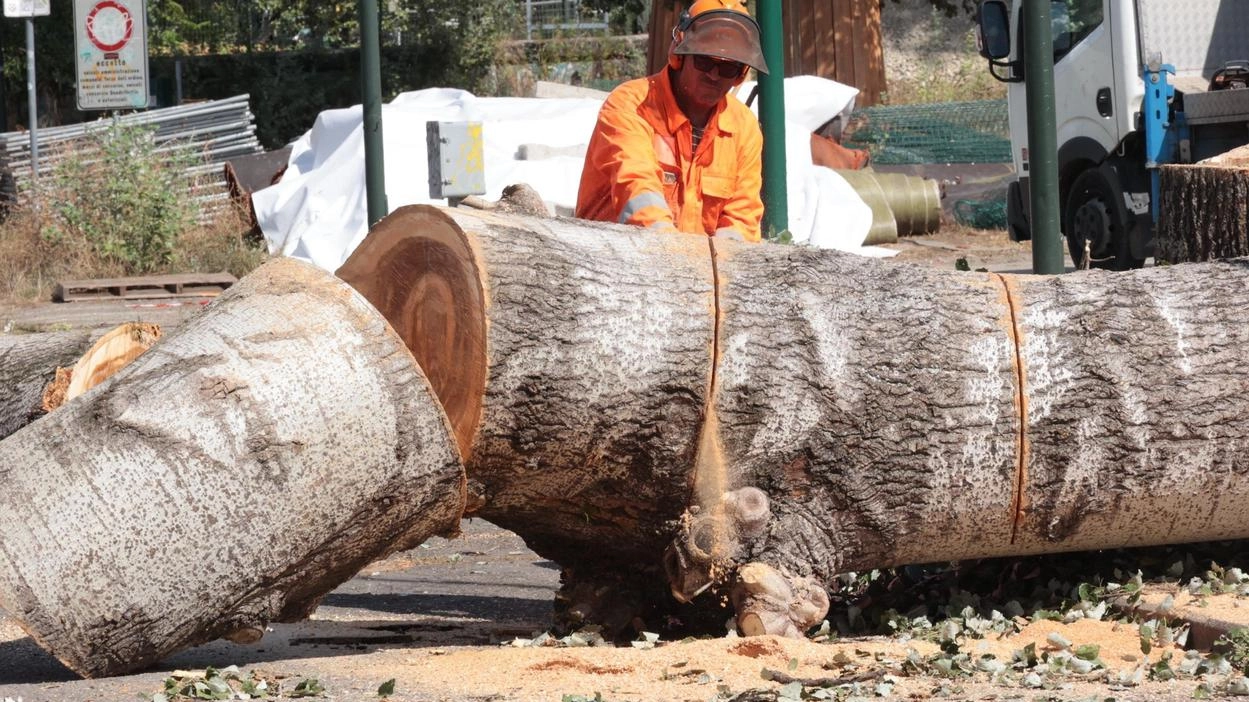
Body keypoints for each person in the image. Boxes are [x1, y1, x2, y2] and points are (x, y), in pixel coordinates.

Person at [575, 0, 769, 242]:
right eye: (705, 61)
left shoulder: (743, 128)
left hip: (695, 270)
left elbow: (742, 218)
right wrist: (673, 257)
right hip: (611, 260)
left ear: (740, 75)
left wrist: (722, 266)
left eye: (728, 68)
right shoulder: (632, 105)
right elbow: (638, 190)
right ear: (680, 54)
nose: (714, 74)